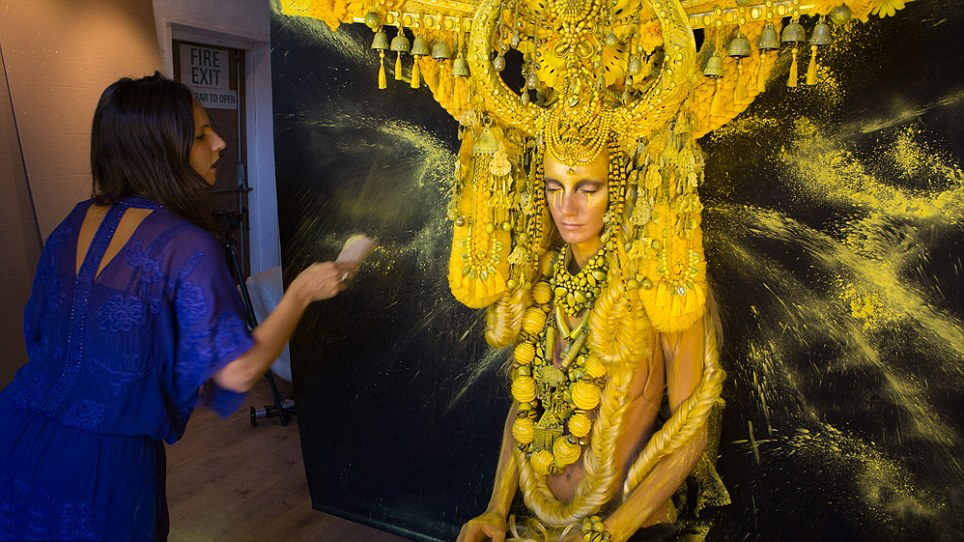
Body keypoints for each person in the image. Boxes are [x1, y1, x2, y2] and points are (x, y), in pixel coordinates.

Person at [0, 73, 353, 541]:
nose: (219, 143)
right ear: (159, 149)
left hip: (14, 433)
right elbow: (239, 372)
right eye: (202, 135)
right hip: (102, 471)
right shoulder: (186, 244)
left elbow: (38, 332)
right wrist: (301, 291)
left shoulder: (73, 220)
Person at [455, 141, 727, 542]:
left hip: (630, 526)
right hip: (542, 524)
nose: (567, 207)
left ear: (617, 190)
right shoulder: (542, 280)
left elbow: (691, 434)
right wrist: (496, 508)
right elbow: (527, 405)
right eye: (554, 188)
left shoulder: (660, 291)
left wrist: (613, 531)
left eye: (586, 189)